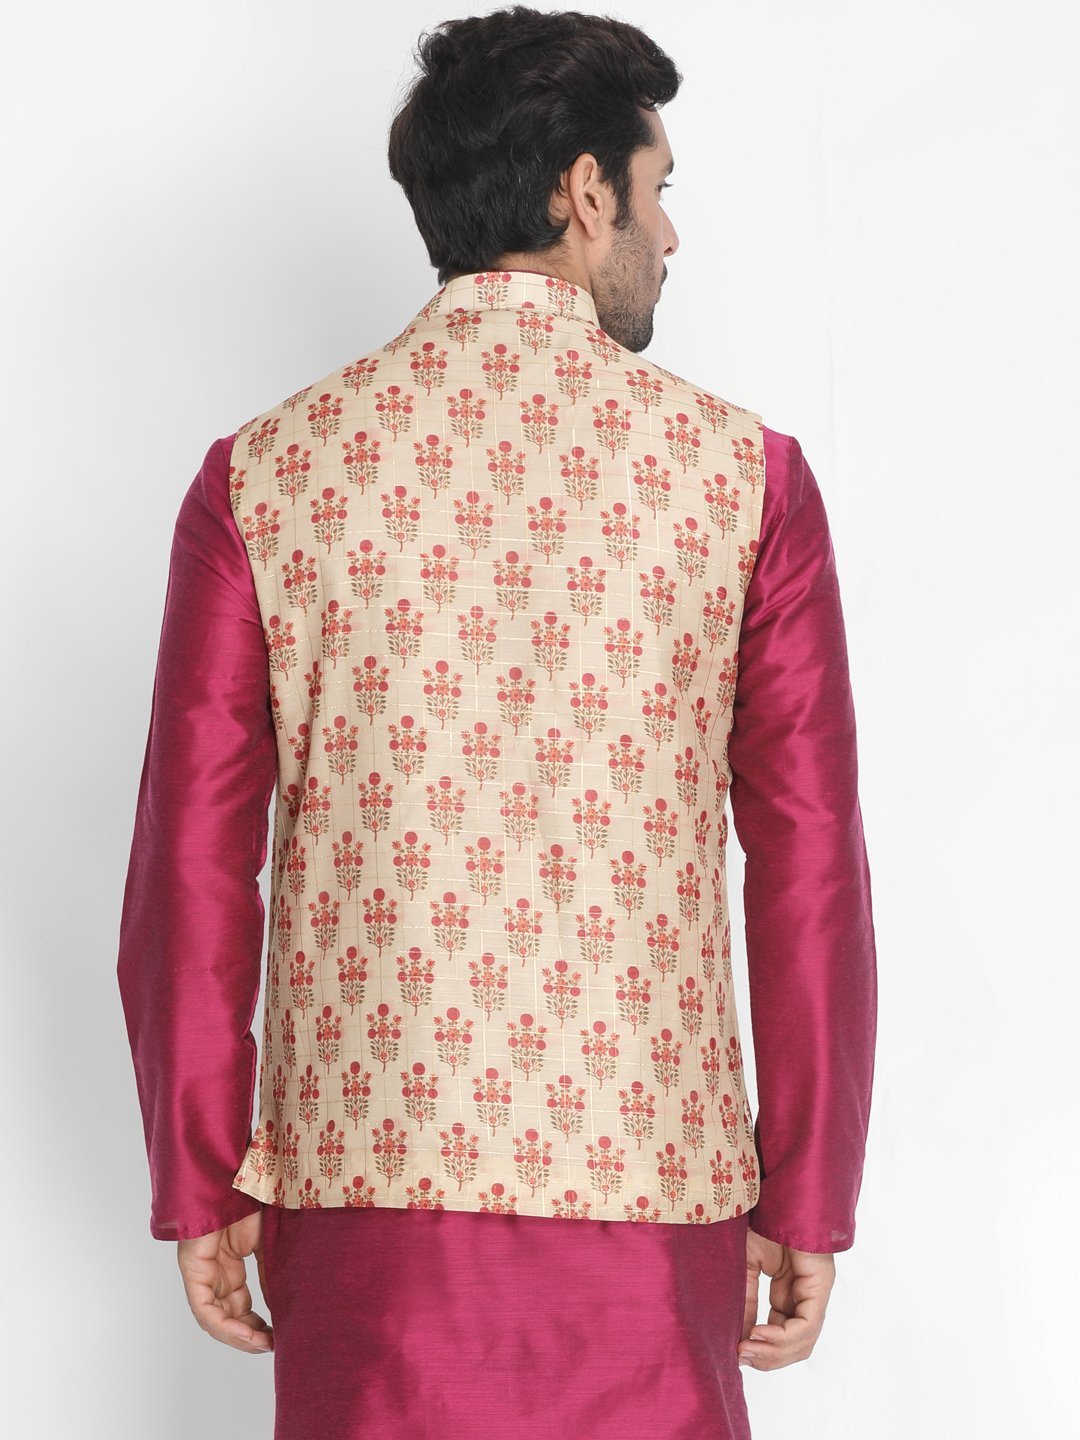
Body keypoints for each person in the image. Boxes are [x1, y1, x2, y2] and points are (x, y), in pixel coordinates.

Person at [116, 7, 877, 1437]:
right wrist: (810, 1187)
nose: (671, 233)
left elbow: (190, 866)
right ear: (586, 192)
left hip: (366, 1191)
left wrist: (199, 1172)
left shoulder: (267, 476)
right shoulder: (744, 481)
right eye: (659, 188)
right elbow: (810, 859)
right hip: (653, 1187)